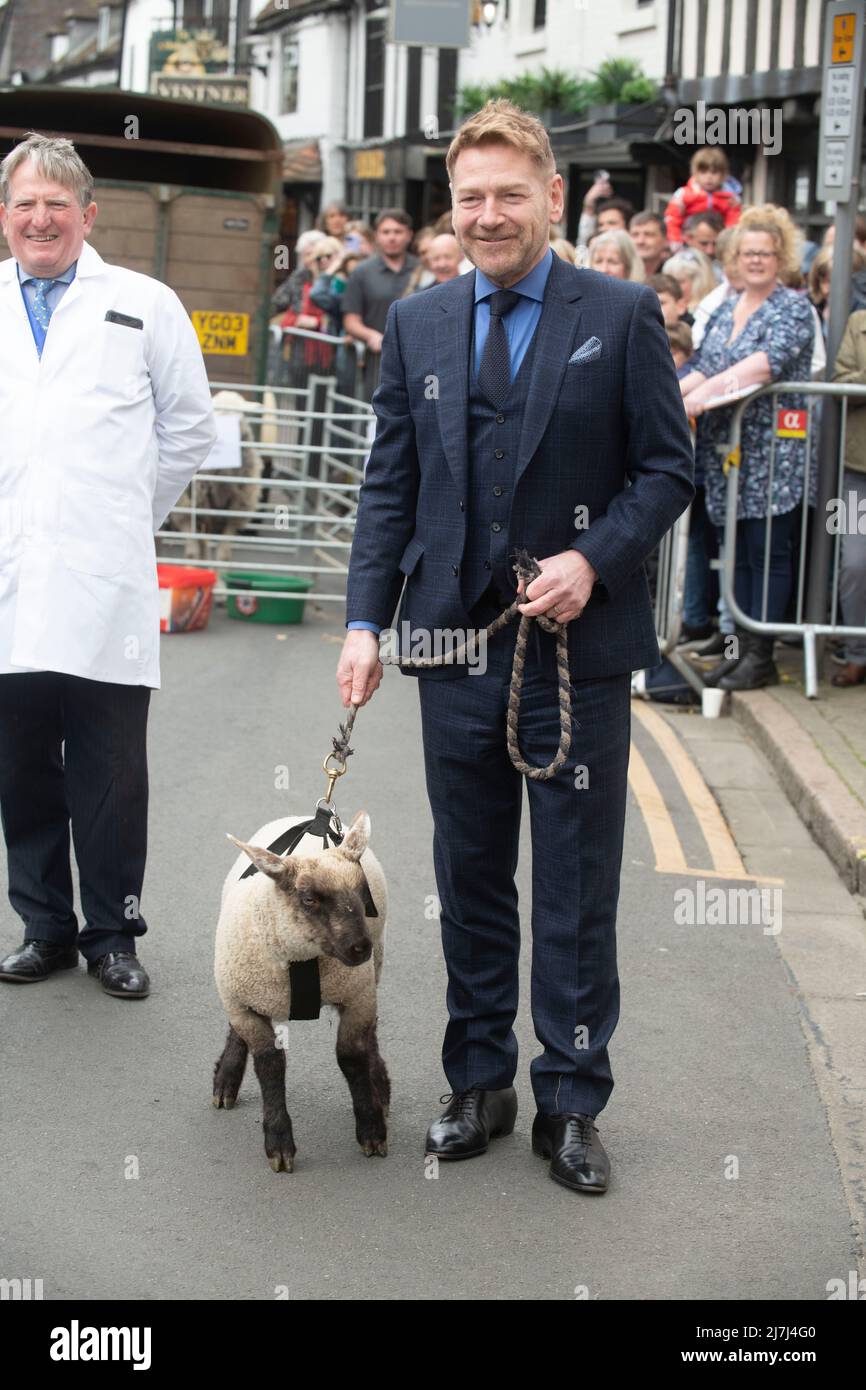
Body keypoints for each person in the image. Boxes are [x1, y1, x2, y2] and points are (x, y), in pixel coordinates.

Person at [337, 99, 694, 1195]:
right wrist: (362, 621)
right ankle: (478, 1078)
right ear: (451, 206)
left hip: (575, 657)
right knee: (470, 876)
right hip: (452, 641)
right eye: (470, 198)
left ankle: (572, 1097)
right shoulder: (419, 321)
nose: (488, 216)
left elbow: (668, 470)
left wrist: (595, 561)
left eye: (508, 195)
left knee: (577, 884)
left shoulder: (623, 312)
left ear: (549, 196)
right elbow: (389, 482)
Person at [0, 133, 216, 997]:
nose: (41, 218)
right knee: (20, 770)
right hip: (11, 583)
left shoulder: (144, 302)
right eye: (25, 204)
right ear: (5, 217)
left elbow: (190, 427)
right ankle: (44, 926)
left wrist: (127, 515)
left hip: (107, 582)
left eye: (58, 204)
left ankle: (113, 934)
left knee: (112, 774)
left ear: (88, 215)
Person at [680, 206, 815, 691]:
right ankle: (736, 650)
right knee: (733, 552)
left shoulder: (793, 308)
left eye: (766, 252)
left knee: (766, 554)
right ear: (736, 257)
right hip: (727, 450)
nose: (756, 260)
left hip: (773, 451)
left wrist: (697, 398)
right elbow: (705, 363)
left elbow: (761, 367)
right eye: (749, 252)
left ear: (781, 258)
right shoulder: (729, 306)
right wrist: (673, 399)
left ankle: (760, 655)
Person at [342, 207, 418, 399]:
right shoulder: (362, 272)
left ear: (409, 235)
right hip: (377, 361)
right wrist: (371, 336)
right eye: (386, 232)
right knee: (376, 417)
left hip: (417, 360)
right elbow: (351, 321)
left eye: (398, 232)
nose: (392, 237)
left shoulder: (421, 268)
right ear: (377, 236)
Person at [830, 311, 866, 686]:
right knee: (854, 564)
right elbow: (840, 383)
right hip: (858, 470)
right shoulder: (857, 322)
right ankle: (858, 655)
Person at [664, 147, 741, 251]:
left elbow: (733, 222)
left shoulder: (730, 198)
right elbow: (672, 219)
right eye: (703, 172)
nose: (709, 177)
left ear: (723, 175)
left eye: (714, 173)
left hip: (717, 244)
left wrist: (729, 242)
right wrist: (676, 241)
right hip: (688, 244)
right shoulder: (683, 195)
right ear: (695, 174)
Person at [662, 248, 718, 315]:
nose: (672, 286)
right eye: (670, 281)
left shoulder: (709, 311)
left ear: (698, 283)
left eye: (680, 282)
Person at [629, 210, 669, 278]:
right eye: (635, 235)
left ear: (665, 240)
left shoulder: (674, 273)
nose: (640, 241)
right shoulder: (618, 274)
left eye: (648, 234)